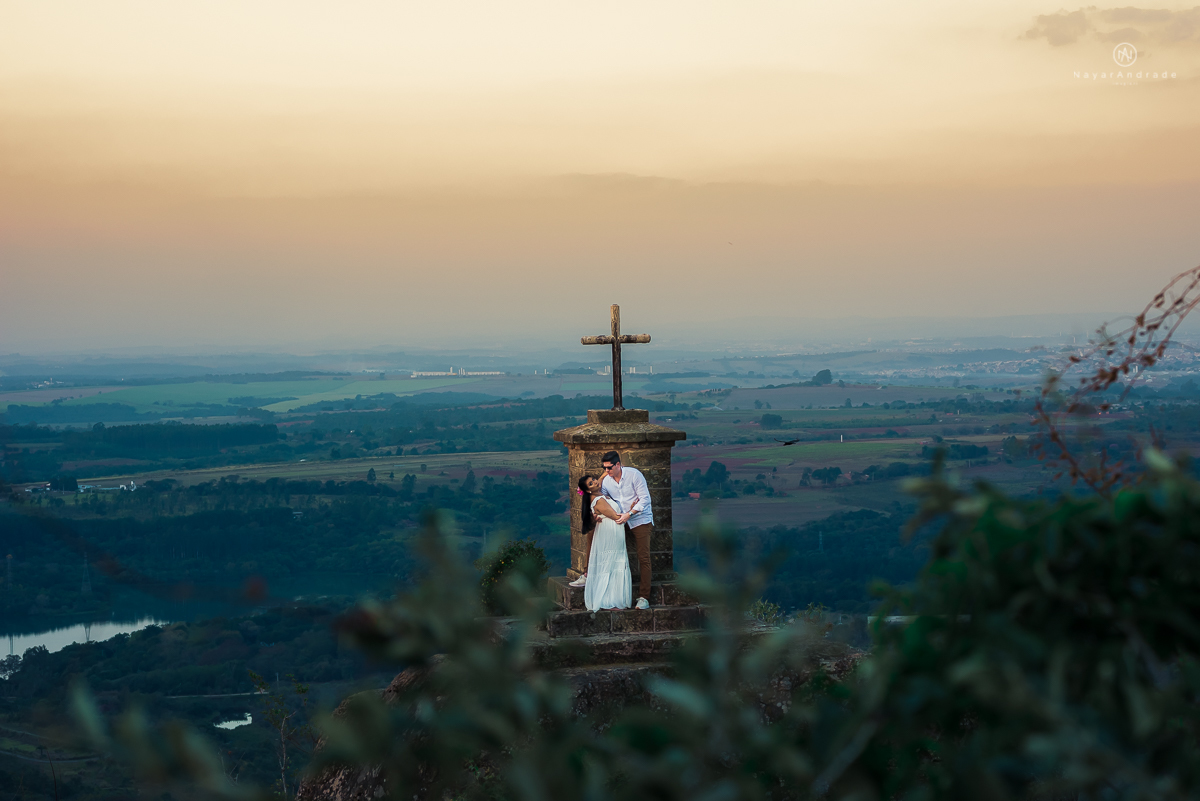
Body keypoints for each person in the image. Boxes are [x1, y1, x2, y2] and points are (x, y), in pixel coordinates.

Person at [600, 450, 654, 610]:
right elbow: (601, 498)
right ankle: (615, 597)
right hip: (618, 520)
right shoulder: (607, 481)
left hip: (640, 519)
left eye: (609, 468)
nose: (606, 471)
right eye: (604, 468)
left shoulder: (634, 475)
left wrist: (629, 513)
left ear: (618, 464)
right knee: (613, 556)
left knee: (643, 557)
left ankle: (644, 598)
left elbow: (645, 498)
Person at [575, 474, 631, 611]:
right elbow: (615, 516)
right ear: (588, 490)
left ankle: (615, 599)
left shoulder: (597, 493)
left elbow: (597, 482)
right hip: (610, 531)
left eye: (593, 480)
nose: (595, 482)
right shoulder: (598, 499)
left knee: (614, 562)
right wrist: (632, 511)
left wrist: (606, 472)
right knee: (611, 563)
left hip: (614, 531)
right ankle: (608, 600)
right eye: (591, 483)